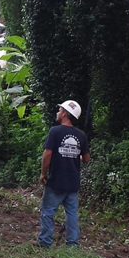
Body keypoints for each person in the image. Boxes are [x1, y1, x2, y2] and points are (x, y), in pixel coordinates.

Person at [38, 99, 90, 248]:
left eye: (60, 110)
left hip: (56, 180)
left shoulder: (55, 131)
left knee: (48, 211)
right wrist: (74, 155)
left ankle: (45, 242)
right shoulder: (81, 135)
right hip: (73, 182)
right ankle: (72, 244)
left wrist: (43, 173)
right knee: (72, 213)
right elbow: (86, 158)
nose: (58, 112)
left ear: (65, 114)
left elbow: (47, 154)